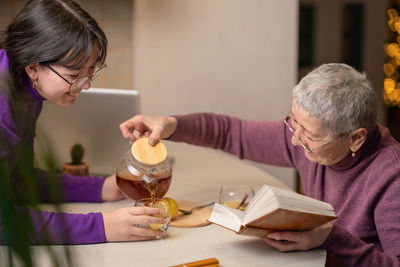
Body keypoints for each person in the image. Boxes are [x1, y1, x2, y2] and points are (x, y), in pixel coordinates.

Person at [119, 63, 400, 266]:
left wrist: (329, 237)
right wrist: (172, 125)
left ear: (355, 138)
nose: (294, 141)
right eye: (293, 122)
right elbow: (231, 133)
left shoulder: (392, 177)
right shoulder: (306, 138)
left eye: (309, 136)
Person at [0, 0, 166, 244]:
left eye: (90, 71)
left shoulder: (25, 87)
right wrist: (102, 226)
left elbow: (16, 180)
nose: (86, 85)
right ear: (33, 67)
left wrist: (100, 188)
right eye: (74, 75)